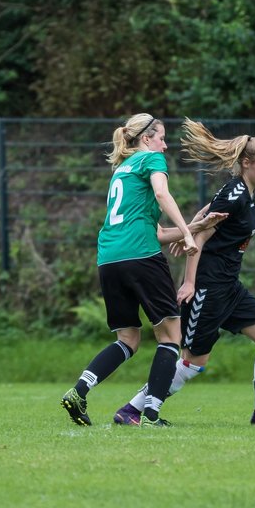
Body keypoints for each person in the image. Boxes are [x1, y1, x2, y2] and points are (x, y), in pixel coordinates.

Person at [113, 118, 255, 426]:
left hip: (230, 287)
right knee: (192, 363)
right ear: (246, 163)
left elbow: (205, 216)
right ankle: (132, 409)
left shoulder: (244, 193)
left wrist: (191, 225)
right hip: (209, 288)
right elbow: (201, 237)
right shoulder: (236, 193)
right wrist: (189, 282)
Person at [60, 112, 206, 427]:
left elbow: (155, 231)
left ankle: (80, 390)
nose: (165, 146)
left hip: (109, 257)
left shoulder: (121, 171)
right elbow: (161, 194)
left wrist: (194, 226)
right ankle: (151, 413)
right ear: (146, 139)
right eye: (162, 138)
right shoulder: (150, 160)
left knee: (128, 339)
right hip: (140, 256)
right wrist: (189, 232)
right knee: (170, 336)